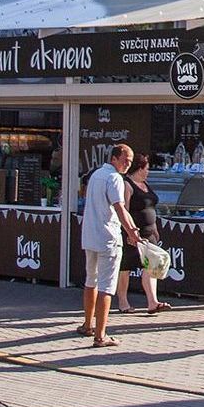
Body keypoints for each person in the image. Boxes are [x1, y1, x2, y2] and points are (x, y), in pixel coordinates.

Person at [79, 144, 141, 349]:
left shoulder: (97, 175)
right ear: (114, 158)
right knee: (106, 286)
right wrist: (132, 231)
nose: (127, 164)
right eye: (125, 160)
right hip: (108, 238)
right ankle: (101, 334)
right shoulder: (115, 178)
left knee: (91, 280)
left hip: (90, 236)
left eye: (130, 162)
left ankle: (87, 325)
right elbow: (119, 207)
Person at [116, 154, 171, 315]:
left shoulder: (145, 184)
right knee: (125, 266)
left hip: (149, 231)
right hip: (133, 231)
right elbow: (124, 209)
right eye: (146, 169)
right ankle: (123, 301)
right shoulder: (127, 185)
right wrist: (129, 232)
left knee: (150, 265)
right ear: (139, 169)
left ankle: (152, 302)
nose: (148, 172)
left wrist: (155, 229)